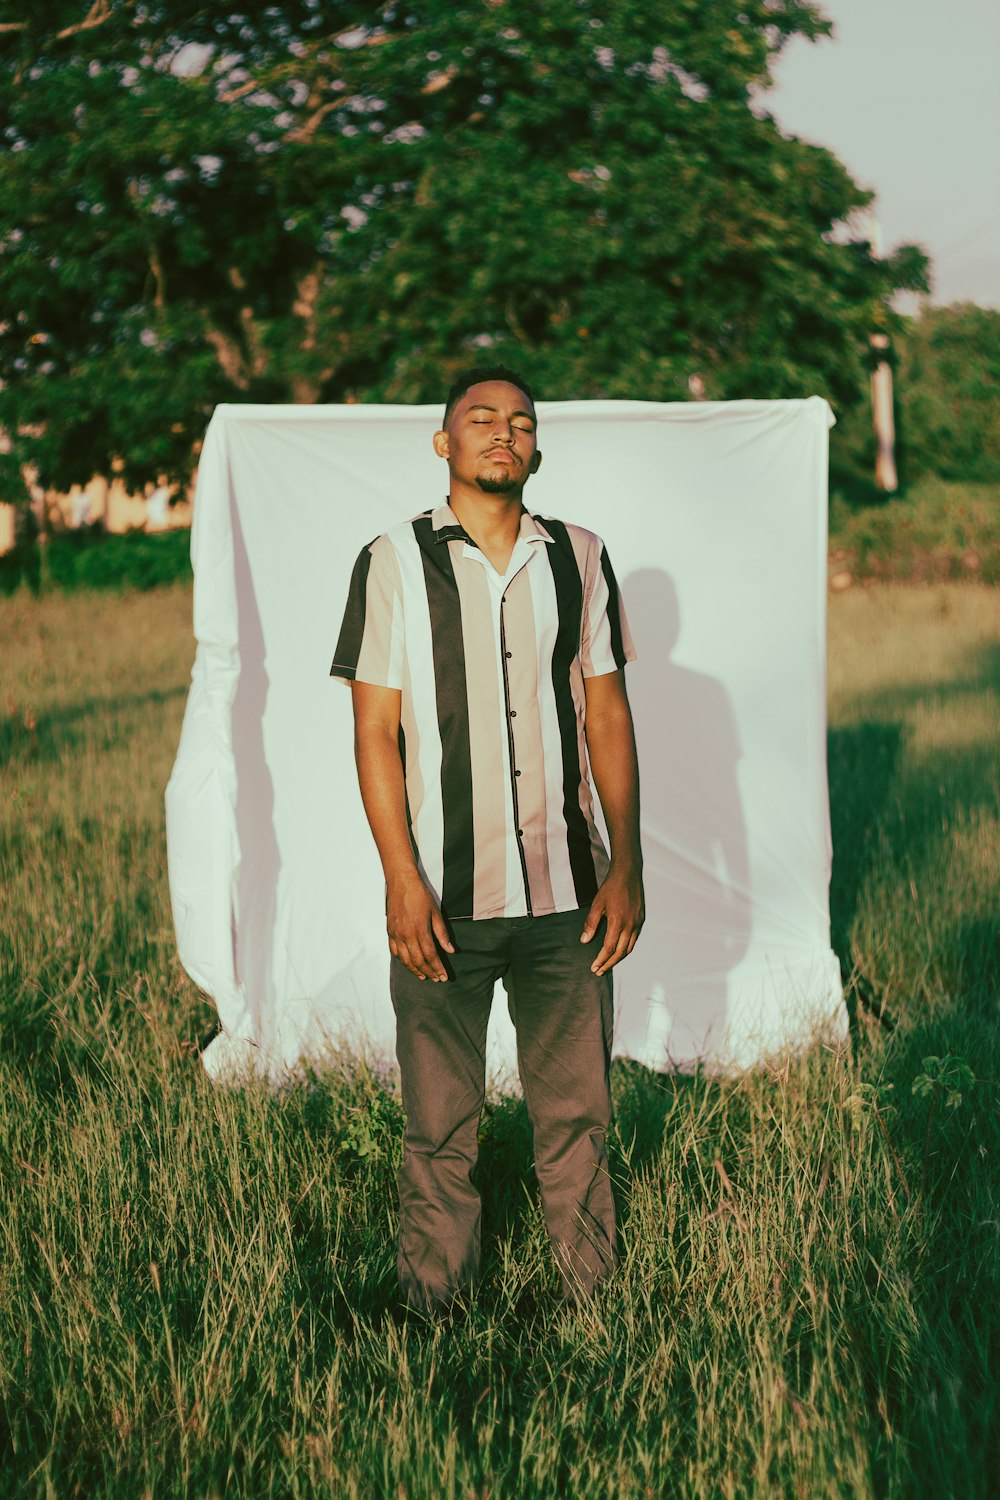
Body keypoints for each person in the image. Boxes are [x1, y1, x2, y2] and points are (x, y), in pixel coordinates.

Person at [330, 366, 644, 1314]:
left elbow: (608, 715)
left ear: (536, 447)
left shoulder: (580, 557)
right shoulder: (390, 559)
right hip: (443, 902)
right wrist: (400, 878)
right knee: (437, 1126)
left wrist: (626, 863)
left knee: (577, 1119)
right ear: (446, 443)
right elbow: (373, 731)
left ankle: (595, 1306)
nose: (502, 432)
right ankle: (436, 1313)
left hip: (569, 901)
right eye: (481, 418)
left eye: (520, 421)